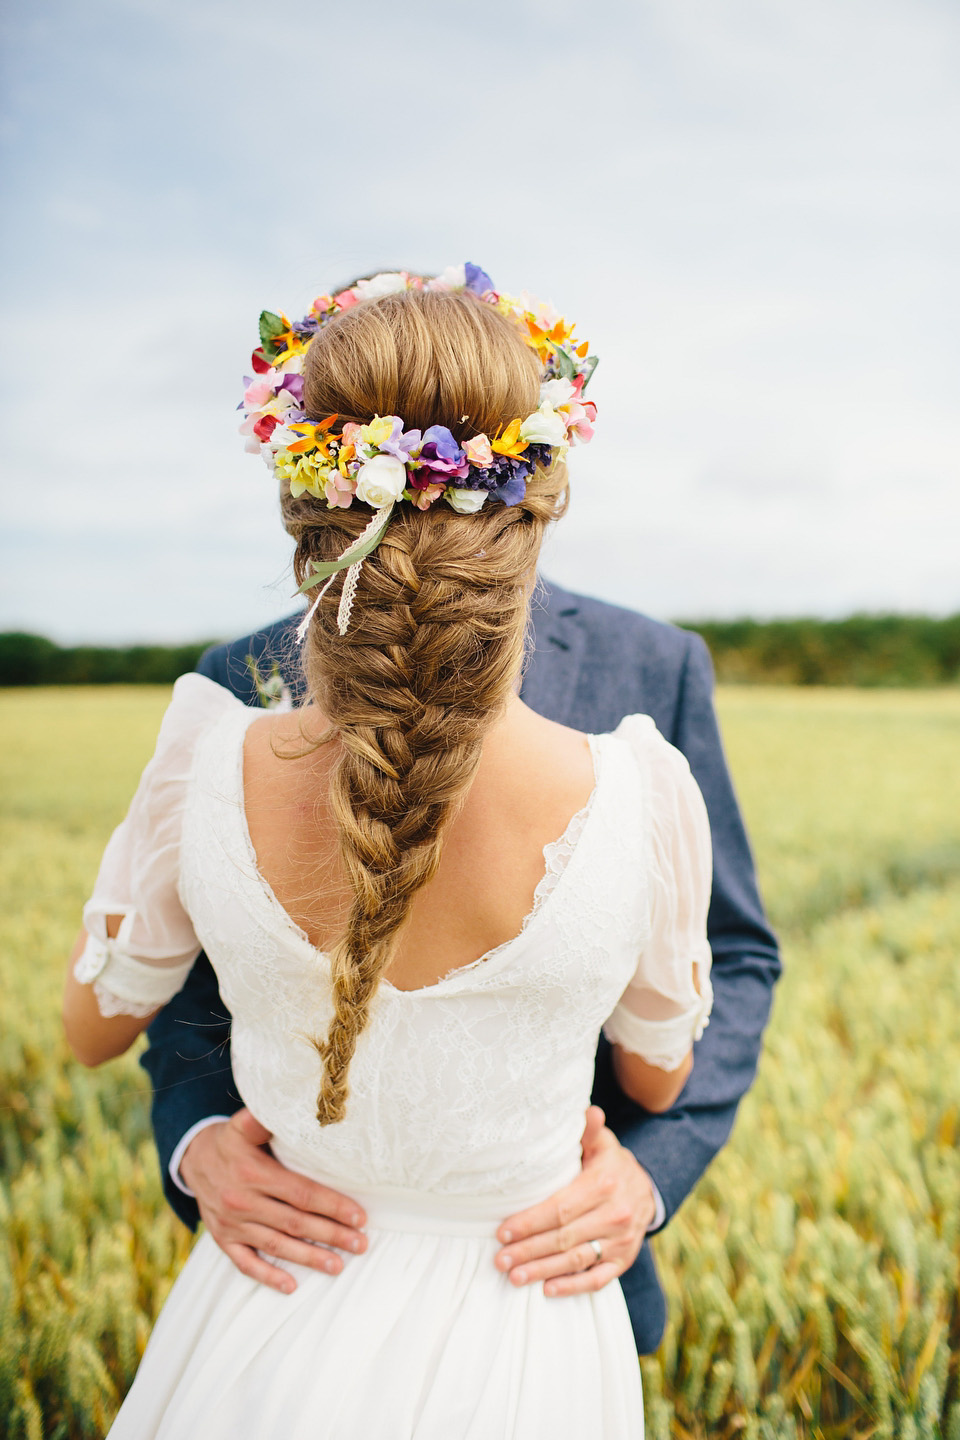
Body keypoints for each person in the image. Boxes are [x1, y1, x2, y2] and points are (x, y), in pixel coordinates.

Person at [63, 265, 776, 1437]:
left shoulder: (657, 665)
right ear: (543, 464)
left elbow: (737, 956)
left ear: (306, 477)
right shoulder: (234, 669)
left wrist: (650, 1172)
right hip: (301, 1258)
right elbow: (195, 970)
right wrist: (199, 1145)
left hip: (538, 1265)